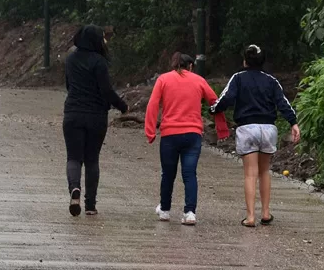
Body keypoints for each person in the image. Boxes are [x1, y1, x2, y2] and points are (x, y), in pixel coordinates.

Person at [211, 45, 300, 227]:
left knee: (250, 174)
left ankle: (250, 217)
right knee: (264, 171)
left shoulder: (238, 78)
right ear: (263, 61)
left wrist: (214, 109)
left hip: (247, 128)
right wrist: (293, 122)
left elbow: (226, 99)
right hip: (268, 129)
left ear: (244, 61)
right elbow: (283, 103)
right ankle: (266, 213)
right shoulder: (271, 81)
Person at [143, 53, 225, 226]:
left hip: (169, 134)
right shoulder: (199, 80)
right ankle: (189, 213)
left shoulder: (163, 80)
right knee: (189, 174)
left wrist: (150, 131)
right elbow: (215, 102)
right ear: (190, 66)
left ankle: (165, 210)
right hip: (192, 134)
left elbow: (153, 104)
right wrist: (222, 128)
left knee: (168, 174)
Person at [62, 24, 127, 216]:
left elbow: (68, 85)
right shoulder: (100, 62)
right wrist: (122, 106)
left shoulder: (71, 59)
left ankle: (75, 190)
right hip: (96, 116)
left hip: (73, 113)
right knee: (92, 160)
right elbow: (106, 91)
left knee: (74, 157)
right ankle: (90, 205)